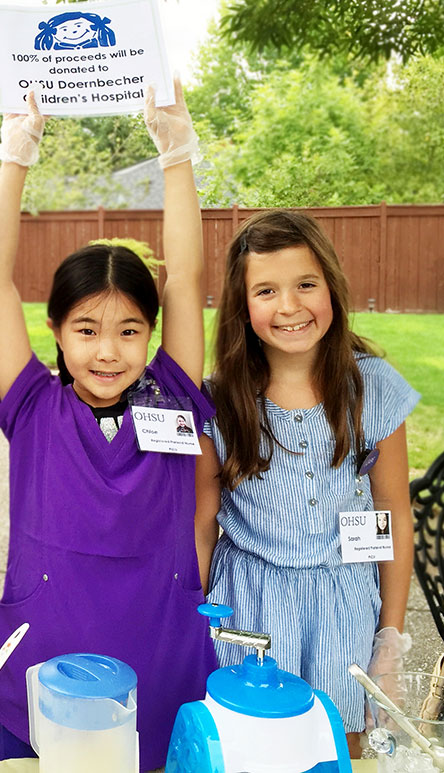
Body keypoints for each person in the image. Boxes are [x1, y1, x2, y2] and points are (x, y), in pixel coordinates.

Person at [0, 81, 215, 771]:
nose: (106, 350)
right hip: (45, 656)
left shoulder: (172, 395)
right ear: (55, 329)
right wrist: (16, 152)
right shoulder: (32, 404)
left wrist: (176, 151)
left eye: (128, 330)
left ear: (152, 333)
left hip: (162, 656)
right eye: (85, 328)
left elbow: (187, 274)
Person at [195, 209, 419, 758]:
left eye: (306, 285)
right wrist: (187, 617)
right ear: (243, 308)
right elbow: (201, 524)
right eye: (266, 290)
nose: (290, 306)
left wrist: (389, 637)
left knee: (339, 749)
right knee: (249, 750)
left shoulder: (372, 387)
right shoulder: (219, 401)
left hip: (342, 609)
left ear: (333, 289)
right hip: (246, 609)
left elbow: (393, 510)